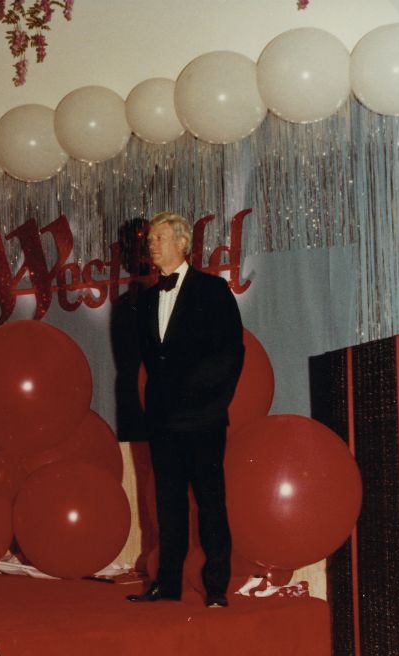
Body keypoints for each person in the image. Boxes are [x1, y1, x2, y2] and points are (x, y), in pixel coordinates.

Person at [126, 211, 244, 609]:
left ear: (181, 243)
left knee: (211, 504)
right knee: (168, 505)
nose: (151, 245)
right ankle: (168, 584)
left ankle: (216, 589)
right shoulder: (143, 302)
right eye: (150, 240)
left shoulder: (212, 290)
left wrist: (210, 406)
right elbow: (149, 365)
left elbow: (231, 354)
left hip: (204, 418)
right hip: (162, 422)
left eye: (159, 238)